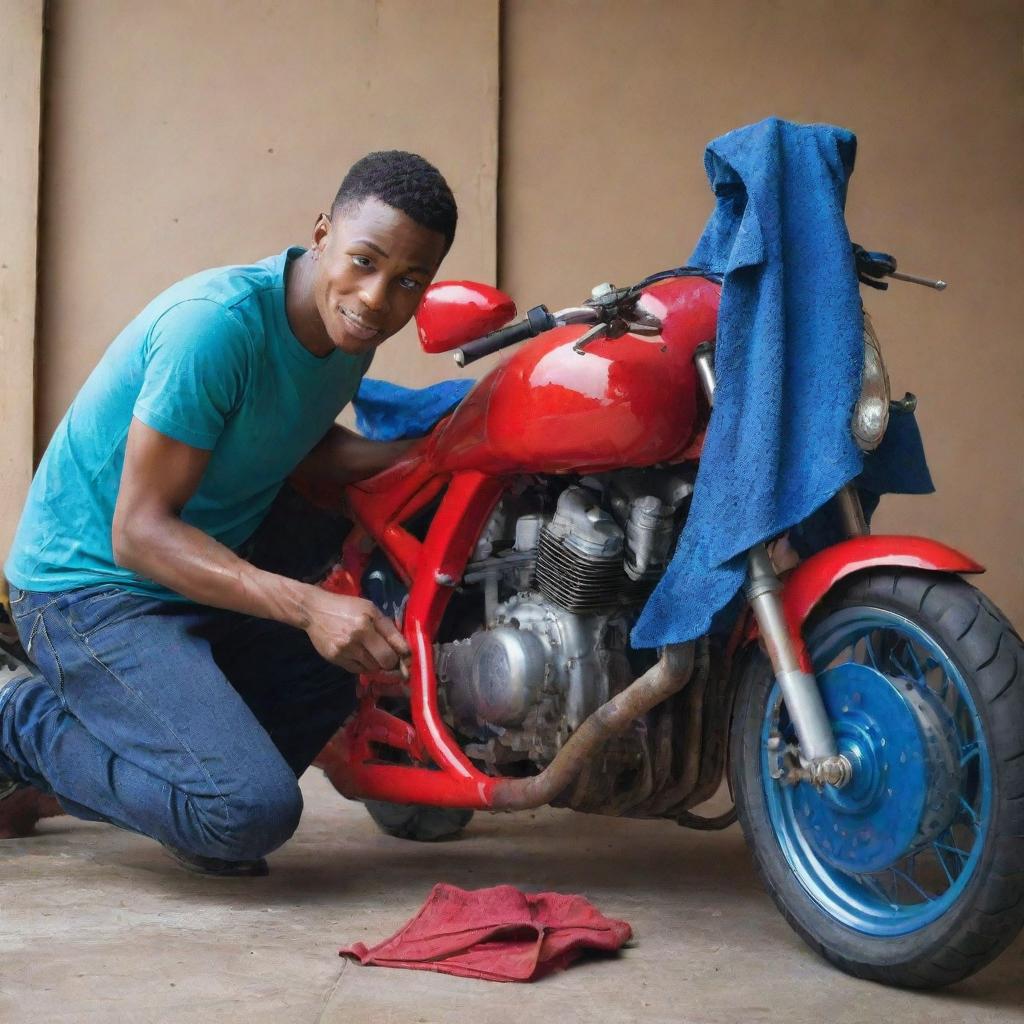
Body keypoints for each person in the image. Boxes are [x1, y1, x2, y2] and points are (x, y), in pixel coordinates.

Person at [0, 150, 457, 875]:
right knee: (245, 815)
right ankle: (18, 723)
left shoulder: (345, 339)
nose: (376, 299)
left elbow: (299, 447)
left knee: (328, 679)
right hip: (86, 592)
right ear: (320, 235)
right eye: (363, 261)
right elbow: (138, 533)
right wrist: (309, 607)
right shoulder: (214, 328)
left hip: (194, 572)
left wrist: (440, 456)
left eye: (408, 282)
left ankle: (80, 790)